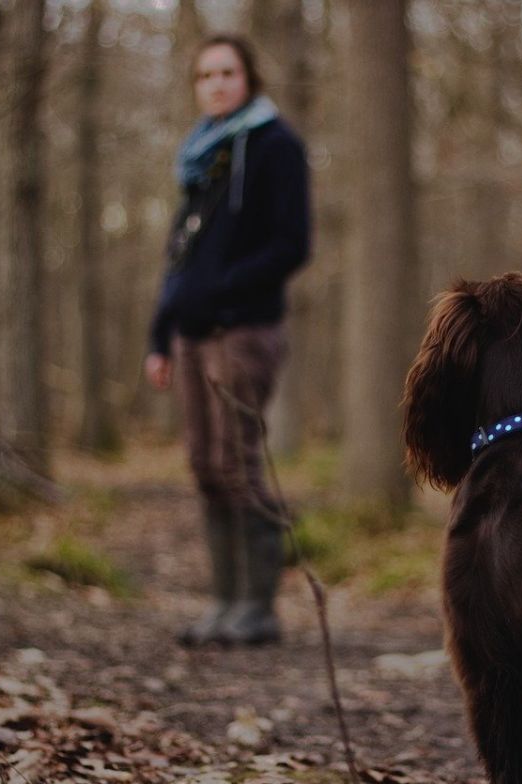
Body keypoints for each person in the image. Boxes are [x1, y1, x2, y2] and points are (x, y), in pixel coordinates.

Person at [145, 34, 310, 646]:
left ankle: (257, 606)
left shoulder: (275, 146)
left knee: (240, 464)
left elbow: (293, 245)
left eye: (227, 72)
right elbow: (178, 257)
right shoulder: (200, 157)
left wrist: (223, 290)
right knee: (204, 465)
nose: (215, 83)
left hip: (243, 330)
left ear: (249, 77)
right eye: (205, 74)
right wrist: (159, 335)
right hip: (189, 335)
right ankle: (223, 602)